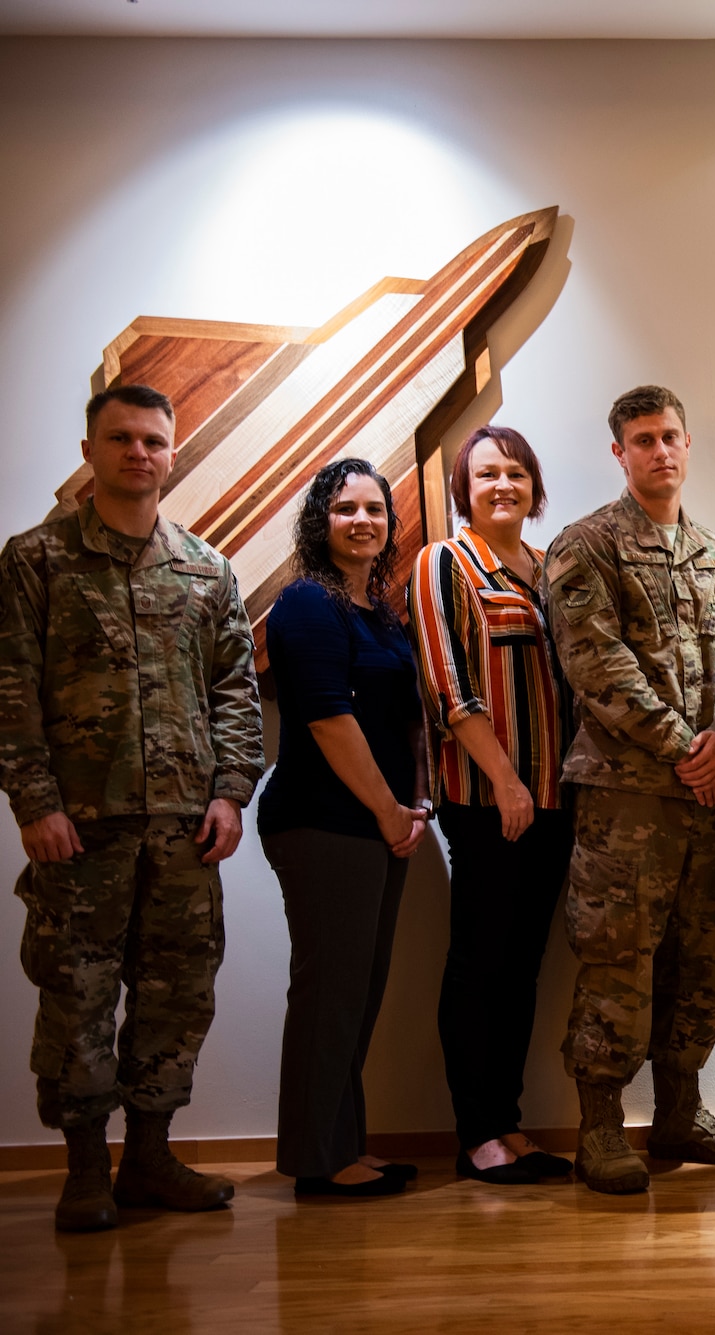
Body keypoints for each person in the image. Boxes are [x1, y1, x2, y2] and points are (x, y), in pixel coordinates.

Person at [0, 385, 263, 1233]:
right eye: (120, 438)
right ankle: (84, 1170)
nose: (137, 453)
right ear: (90, 450)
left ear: (172, 454)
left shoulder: (207, 569)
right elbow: (10, 690)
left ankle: (149, 1155)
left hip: (186, 829)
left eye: (153, 440)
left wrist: (230, 792)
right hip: (81, 826)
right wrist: (34, 802)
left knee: (177, 992)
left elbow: (235, 690)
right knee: (76, 994)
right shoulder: (35, 561)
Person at [543, 386, 715, 1195]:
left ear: (688, 441)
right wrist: (686, 747)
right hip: (629, 799)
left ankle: (680, 1108)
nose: (659, 451)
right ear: (619, 453)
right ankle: (599, 1125)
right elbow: (597, 667)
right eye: (642, 439)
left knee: (700, 960)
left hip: (709, 800)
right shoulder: (585, 546)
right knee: (618, 960)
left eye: (670, 435)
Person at [409, 426, 575, 1185]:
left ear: (533, 486)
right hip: (488, 799)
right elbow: (451, 687)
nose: (502, 483)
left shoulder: (547, 569)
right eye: (485, 473)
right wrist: (506, 780)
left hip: (554, 801)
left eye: (515, 471)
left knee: (523, 968)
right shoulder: (446, 562)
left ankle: (509, 1122)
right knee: (480, 964)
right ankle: (477, 1134)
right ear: (463, 490)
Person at [261, 457, 430, 1199]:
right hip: (325, 823)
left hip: (377, 826)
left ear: (390, 523)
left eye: (374, 508)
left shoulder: (379, 611)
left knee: (356, 993)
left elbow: (405, 717)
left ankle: (343, 1145)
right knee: (331, 991)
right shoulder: (307, 602)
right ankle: (317, 1161)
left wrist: (413, 803)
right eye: (345, 508)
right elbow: (331, 720)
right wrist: (390, 811)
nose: (362, 520)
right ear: (320, 520)